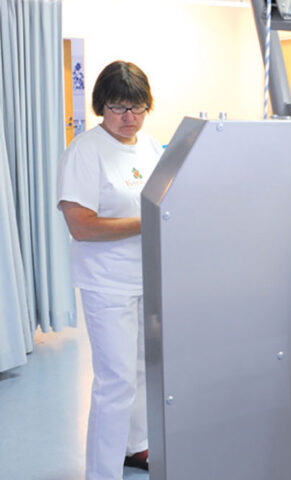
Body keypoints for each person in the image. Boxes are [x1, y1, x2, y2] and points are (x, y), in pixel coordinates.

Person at [57, 61, 162, 478]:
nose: (128, 118)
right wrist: (148, 221)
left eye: (137, 108)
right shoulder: (85, 151)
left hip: (148, 277)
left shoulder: (152, 148)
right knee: (115, 380)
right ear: (102, 106)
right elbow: (81, 226)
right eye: (119, 108)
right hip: (106, 283)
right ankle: (101, 471)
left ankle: (135, 445)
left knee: (140, 369)